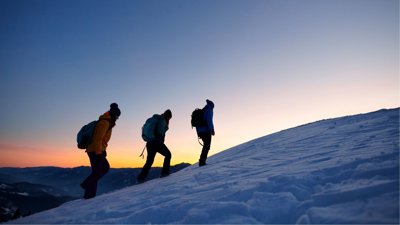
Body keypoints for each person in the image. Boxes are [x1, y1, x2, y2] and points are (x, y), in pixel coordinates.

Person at [80, 103, 121, 199]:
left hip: (97, 150)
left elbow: (101, 140)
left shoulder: (107, 122)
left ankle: (88, 190)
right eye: (117, 116)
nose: (117, 118)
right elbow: (98, 139)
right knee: (97, 172)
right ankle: (88, 191)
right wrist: (99, 153)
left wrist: (103, 150)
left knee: (102, 169)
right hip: (94, 150)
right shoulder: (104, 122)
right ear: (114, 115)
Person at [137, 109, 172, 182]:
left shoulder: (156, 119)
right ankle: (165, 173)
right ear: (168, 116)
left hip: (149, 143)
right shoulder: (163, 121)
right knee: (168, 154)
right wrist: (161, 139)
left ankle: (141, 178)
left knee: (149, 161)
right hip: (156, 143)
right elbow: (160, 132)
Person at [196, 99, 215, 166]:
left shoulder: (203, 110)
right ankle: (202, 161)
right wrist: (212, 130)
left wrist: (198, 133)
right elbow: (209, 120)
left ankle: (202, 161)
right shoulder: (209, 110)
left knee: (206, 145)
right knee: (207, 146)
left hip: (201, 131)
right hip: (206, 131)